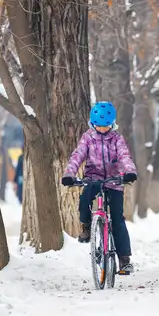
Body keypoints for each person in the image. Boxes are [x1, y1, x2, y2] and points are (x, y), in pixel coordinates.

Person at [61, 102, 139, 275]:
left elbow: (124, 156)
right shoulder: (87, 138)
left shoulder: (117, 139)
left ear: (112, 124)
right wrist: (69, 174)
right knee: (85, 199)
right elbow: (77, 155)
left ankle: (124, 260)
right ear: (92, 123)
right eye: (99, 126)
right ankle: (87, 226)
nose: (102, 129)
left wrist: (129, 172)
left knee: (118, 219)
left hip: (114, 180)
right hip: (93, 178)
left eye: (106, 126)